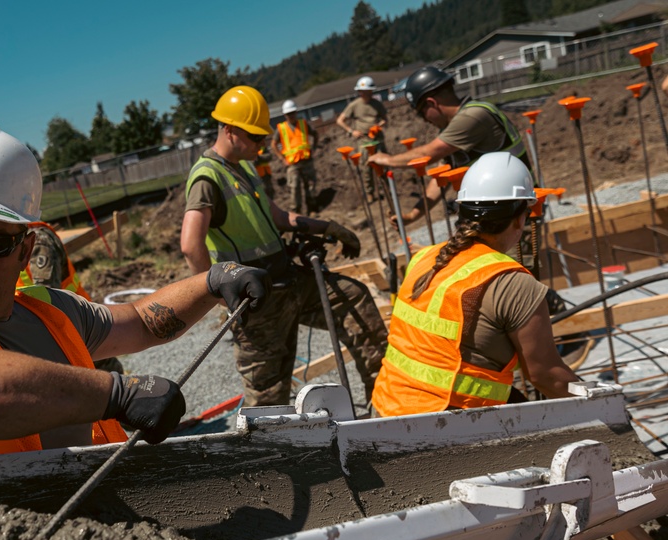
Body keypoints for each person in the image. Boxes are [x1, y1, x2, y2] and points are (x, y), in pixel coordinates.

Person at [0, 127, 271, 466]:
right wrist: (116, 394)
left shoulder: (49, 311)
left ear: (25, 251)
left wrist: (214, 281)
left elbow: (141, 321)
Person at [370, 152, 579, 540]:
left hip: (383, 423)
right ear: (521, 217)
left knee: (440, 537)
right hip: (443, 438)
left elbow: (449, 350)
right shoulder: (515, 285)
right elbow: (547, 374)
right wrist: (593, 405)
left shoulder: (425, 257)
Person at [182, 86, 388, 408]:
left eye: (264, 137)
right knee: (268, 396)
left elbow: (276, 215)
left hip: (287, 282)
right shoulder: (207, 177)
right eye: (256, 137)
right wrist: (218, 295)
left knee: (354, 300)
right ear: (230, 130)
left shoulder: (244, 167)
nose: (263, 145)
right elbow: (190, 245)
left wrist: (328, 227)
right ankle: (267, 454)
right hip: (258, 304)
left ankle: (388, 404)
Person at [369, 66, 530, 227]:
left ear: (431, 103)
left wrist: (387, 159)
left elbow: (429, 153)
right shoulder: (454, 126)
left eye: (421, 112)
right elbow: (441, 178)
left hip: (515, 214)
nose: (425, 120)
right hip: (498, 211)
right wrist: (412, 215)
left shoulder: (473, 116)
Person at [16, 219, 124, 374]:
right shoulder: (12, 237)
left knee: (106, 382)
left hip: (73, 328)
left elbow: (46, 302)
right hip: (50, 332)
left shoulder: (40, 241)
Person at [336, 76, 388, 203]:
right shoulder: (354, 105)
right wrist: (351, 131)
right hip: (364, 141)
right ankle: (370, 193)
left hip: (378, 139)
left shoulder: (377, 104)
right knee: (366, 167)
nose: (364, 93)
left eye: (367, 91)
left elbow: (385, 119)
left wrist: (378, 126)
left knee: (383, 164)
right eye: (362, 91)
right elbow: (340, 120)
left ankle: (386, 190)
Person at [270, 99, 319, 214]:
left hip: (306, 160)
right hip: (292, 163)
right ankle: (296, 211)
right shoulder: (281, 128)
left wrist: (314, 148)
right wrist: (282, 158)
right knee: (294, 187)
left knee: (310, 184)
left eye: (292, 113)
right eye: (288, 114)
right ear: (285, 115)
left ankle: (311, 208)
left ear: (296, 112)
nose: (291, 116)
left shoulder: (303, 124)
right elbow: (273, 144)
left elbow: (315, 134)